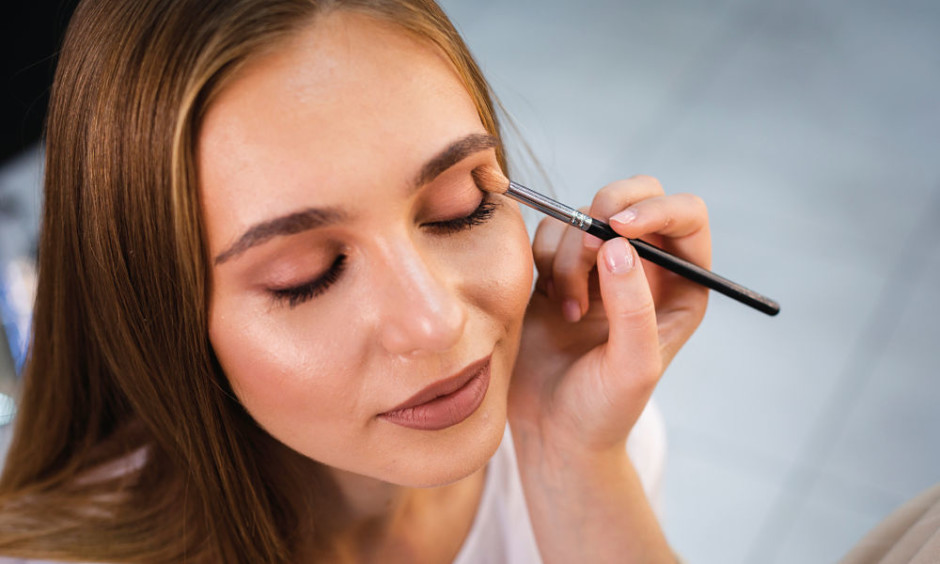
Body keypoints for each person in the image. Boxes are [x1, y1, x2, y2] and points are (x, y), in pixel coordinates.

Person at [0, 0, 711, 562]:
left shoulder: (587, 434)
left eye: (461, 210)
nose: (434, 323)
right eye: (304, 277)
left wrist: (574, 462)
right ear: (162, 324)